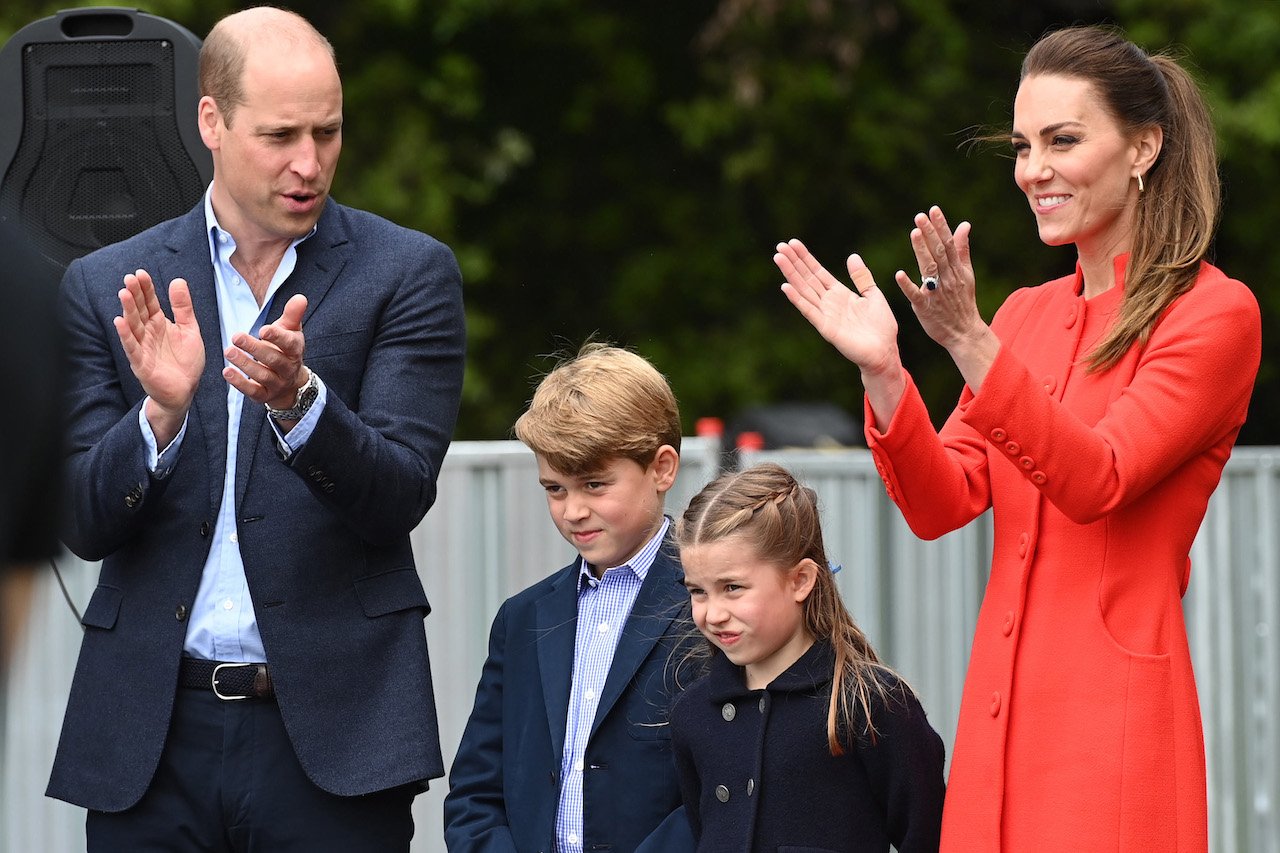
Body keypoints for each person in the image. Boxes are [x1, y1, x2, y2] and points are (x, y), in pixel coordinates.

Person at [774, 23, 1261, 853]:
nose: (1032, 169)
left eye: (1062, 140)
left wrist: (969, 343)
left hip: (1115, 732)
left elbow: (1100, 477)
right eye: (1023, 144)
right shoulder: (1026, 314)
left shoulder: (1214, 313)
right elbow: (942, 501)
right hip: (999, 725)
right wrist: (886, 371)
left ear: (1144, 147)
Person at [45, 7, 465, 850]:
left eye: (327, 132)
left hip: (336, 737)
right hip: (151, 740)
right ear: (211, 121)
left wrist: (301, 405)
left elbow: (398, 496)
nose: (308, 163)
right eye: (279, 136)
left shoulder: (408, 273)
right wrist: (159, 413)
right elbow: (82, 521)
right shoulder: (105, 286)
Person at [444, 343, 696, 853]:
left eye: (595, 484)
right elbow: (475, 790)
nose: (573, 510)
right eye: (554, 489)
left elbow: (729, 789)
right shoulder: (523, 619)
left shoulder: (713, 608)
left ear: (662, 468)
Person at [670, 462, 946, 852]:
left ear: (800, 580)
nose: (712, 613)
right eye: (698, 591)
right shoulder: (692, 714)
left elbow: (932, 837)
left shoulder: (871, 704)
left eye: (732, 588)